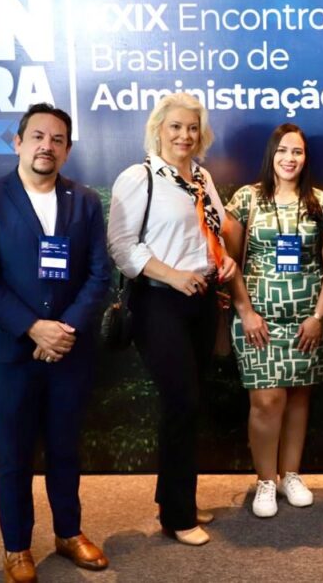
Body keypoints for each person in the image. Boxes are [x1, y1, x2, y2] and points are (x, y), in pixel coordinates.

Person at [0, 103, 111, 582]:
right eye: (38, 137)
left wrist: (62, 330)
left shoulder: (85, 201)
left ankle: (69, 533)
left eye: (58, 140)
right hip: (10, 350)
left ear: (67, 151)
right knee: (14, 454)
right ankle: (17, 547)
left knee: (66, 447)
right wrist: (33, 328)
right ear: (18, 143)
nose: (47, 146)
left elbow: (98, 274)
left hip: (69, 348)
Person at [107, 92, 238, 546]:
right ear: (158, 130)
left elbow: (212, 231)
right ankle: (177, 517)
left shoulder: (201, 177)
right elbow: (122, 247)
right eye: (176, 127)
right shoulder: (139, 177)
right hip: (158, 301)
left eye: (192, 128)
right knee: (181, 401)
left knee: (189, 403)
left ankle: (176, 498)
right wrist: (172, 275)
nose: (185, 135)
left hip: (201, 300)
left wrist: (223, 261)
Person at [224, 123, 323, 518]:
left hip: (308, 319)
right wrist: (246, 311)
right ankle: (265, 480)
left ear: (305, 158)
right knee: (267, 399)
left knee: (298, 397)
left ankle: (290, 474)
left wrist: (319, 316)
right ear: (271, 155)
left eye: (297, 151)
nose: (290, 158)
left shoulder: (322, 202)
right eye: (283, 150)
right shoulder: (247, 198)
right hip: (258, 319)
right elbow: (229, 261)